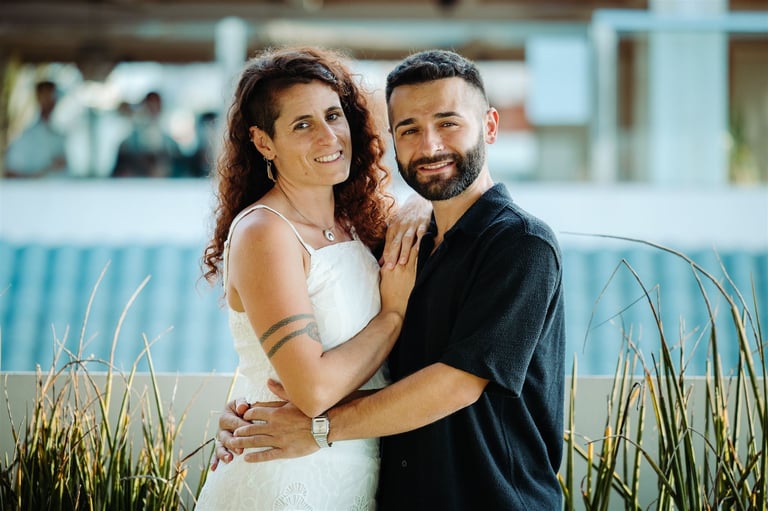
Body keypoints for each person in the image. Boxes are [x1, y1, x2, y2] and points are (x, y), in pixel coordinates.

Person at [216, 49, 567, 510]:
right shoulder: (402, 242)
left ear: (490, 126)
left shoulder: (521, 245)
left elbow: (457, 383)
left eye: (448, 123)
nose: (430, 146)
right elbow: (380, 369)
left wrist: (319, 426)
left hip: (491, 499)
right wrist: (253, 406)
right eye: (409, 130)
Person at [196, 47, 426, 510]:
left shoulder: (357, 223)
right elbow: (313, 390)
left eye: (333, 116)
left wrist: (421, 204)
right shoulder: (265, 232)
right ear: (264, 143)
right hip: (284, 475)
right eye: (302, 125)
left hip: (353, 466)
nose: (329, 136)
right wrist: (394, 315)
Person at [4, 80, 67, 178]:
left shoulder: (60, 135)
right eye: (45, 97)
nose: (50, 101)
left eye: (52, 97)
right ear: (38, 98)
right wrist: (39, 175)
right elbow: (10, 173)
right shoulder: (24, 135)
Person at [111, 91, 183, 177]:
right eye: (150, 105)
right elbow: (120, 172)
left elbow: (180, 169)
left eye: (156, 106)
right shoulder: (129, 142)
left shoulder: (169, 142)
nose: (153, 109)